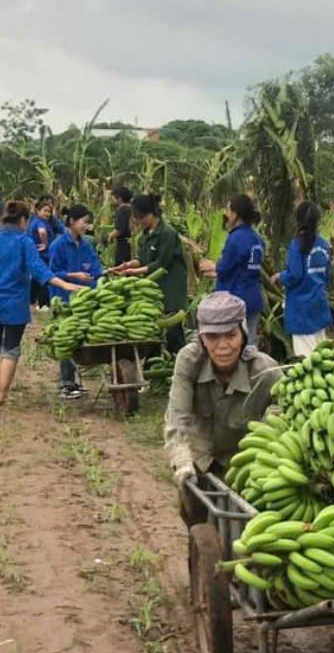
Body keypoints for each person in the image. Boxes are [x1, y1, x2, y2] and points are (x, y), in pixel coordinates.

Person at [164, 292, 280, 517]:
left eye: (230, 335)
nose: (222, 346)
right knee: (194, 513)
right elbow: (177, 418)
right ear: (201, 338)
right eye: (212, 337)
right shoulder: (189, 361)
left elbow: (281, 414)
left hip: (244, 460)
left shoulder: (265, 372)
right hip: (199, 455)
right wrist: (182, 461)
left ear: (244, 334)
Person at [0, 201, 81, 404]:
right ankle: (2, 394)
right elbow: (39, 269)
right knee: (11, 348)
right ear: (23, 220)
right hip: (15, 306)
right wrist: (64, 284)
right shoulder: (24, 242)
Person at [111, 193, 189, 355]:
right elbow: (142, 259)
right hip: (154, 289)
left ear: (151, 214)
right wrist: (128, 265)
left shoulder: (167, 233)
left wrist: (134, 272)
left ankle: (181, 363)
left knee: (173, 331)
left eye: (140, 217)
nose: (139, 222)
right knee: (153, 330)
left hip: (171, 289)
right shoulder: (145, 235)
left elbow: (161, 263)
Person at [48, 205, 104, 400]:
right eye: (84, 221)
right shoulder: (58, 245)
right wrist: (73, 275)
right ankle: (66, 383)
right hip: (63, 299)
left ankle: (74, 381)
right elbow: (52, 273)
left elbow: (96, 269)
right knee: (67, 338)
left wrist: (100, 281)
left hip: (85, 300)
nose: (86, 226)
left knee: (81, 338)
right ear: (72, 221)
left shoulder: (86, 245)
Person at [200, 194, 264, 345]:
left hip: (236, 301)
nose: (227, 215)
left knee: (237, 345)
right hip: (253, 297)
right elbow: (241, 267)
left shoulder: (236, 238)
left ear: (235, 214)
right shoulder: (256, 238)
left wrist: (211, 266)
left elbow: (224, 267)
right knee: (250, 343)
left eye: (229, 211)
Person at [276, 200, 332, 357]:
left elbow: (295, 275)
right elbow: (327, 276)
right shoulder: (324, 245)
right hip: (319, 305)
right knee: (322, 354)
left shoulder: (297, 245)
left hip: (301, 310)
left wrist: (280, 276)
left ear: (298, 220)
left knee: (306, 359)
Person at [27, 197, 62, 308]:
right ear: (38, 211)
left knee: (36, 278)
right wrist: (45, 243)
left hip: (35, 254)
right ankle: (43, 304)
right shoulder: (40, 222)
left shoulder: (33, 220)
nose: (47, 214)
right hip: (43, 254)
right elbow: (42, 232)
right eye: (45, 211)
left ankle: (31, 300)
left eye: (49, 212)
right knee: (45, 278)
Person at [107, 185, 134, 266]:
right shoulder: (132, 208)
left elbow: (119, 229)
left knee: (121, 266)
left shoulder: (121, 210)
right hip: (132, 242)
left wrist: (110, 236)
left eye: (113, 198)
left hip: (123, 245)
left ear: (119, 199)